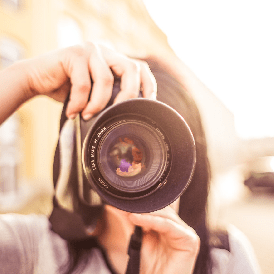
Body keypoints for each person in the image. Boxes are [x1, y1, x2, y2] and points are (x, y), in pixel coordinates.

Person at [0, 42, 261, 274]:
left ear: (187, 159)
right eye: (117, 144)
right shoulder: (36, 249)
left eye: (153, 147)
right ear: (83, 151)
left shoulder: (225, 258)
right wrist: (26, 79)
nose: (131, 164)